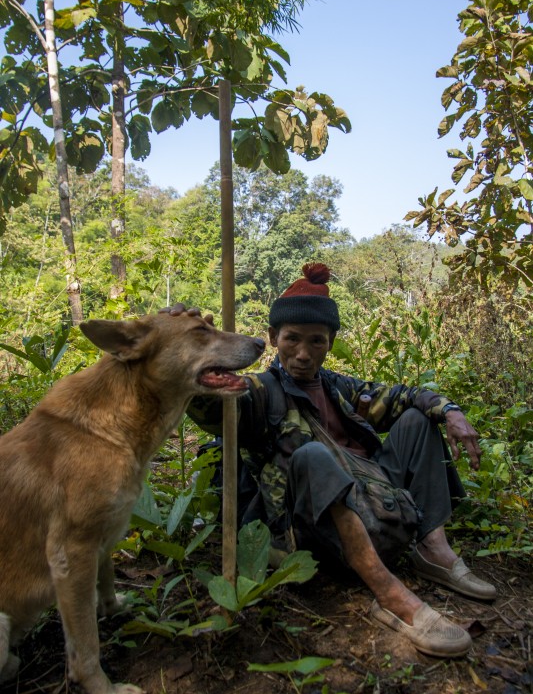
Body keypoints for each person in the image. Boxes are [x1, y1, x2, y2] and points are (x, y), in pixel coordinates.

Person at [176, 263, 496, 658]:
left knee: (418, 418)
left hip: (376, 503)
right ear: (274, 337)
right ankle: (389, 592)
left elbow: (404, 396)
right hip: (314, 529)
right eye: (292, 339)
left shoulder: (341, 387)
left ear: (330, 342)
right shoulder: (261, 392)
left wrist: (451, 411)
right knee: (311, 453)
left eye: (317, 341)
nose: (304, 353)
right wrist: (185, 344)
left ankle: (433, 547)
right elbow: (212, 409)